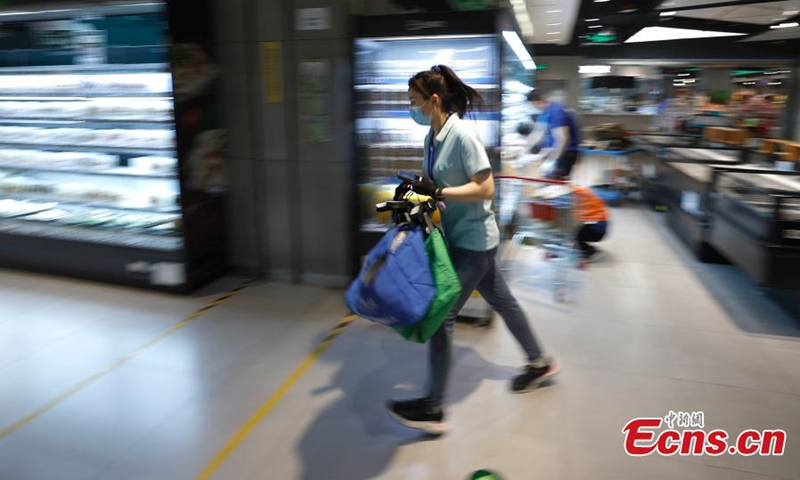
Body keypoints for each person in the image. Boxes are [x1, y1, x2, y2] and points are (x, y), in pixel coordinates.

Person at [388, 65, 559, 436]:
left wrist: (440, 193)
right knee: (502, 300)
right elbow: (432, 185)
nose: (410, 108)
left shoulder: (463, 135)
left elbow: (486, 188)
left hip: (475, 241)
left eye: (414, 102)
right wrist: (414, 195)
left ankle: (433, 406)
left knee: (441, 316)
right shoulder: (431, 139)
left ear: (434, 101)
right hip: (458, 237)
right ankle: (540, 362)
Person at [524, 90, 581, 180]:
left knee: (557, 183)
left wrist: (552, 161)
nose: (533, 107)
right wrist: (525, 149)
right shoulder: (543, 113)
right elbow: (537, 133)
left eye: (532, 104)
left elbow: (563, 139)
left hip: (566, 153)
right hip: (554, 151)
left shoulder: (556, 112)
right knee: (547, 180)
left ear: (536, 102)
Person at [573, 186, 610, 268]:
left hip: (597, 230)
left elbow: (577, 216)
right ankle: (587, 249)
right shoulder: (582, 191)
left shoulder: (577, 196)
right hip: (599, 227)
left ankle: (590, 251)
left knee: (574, 234)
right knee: (574, 232)